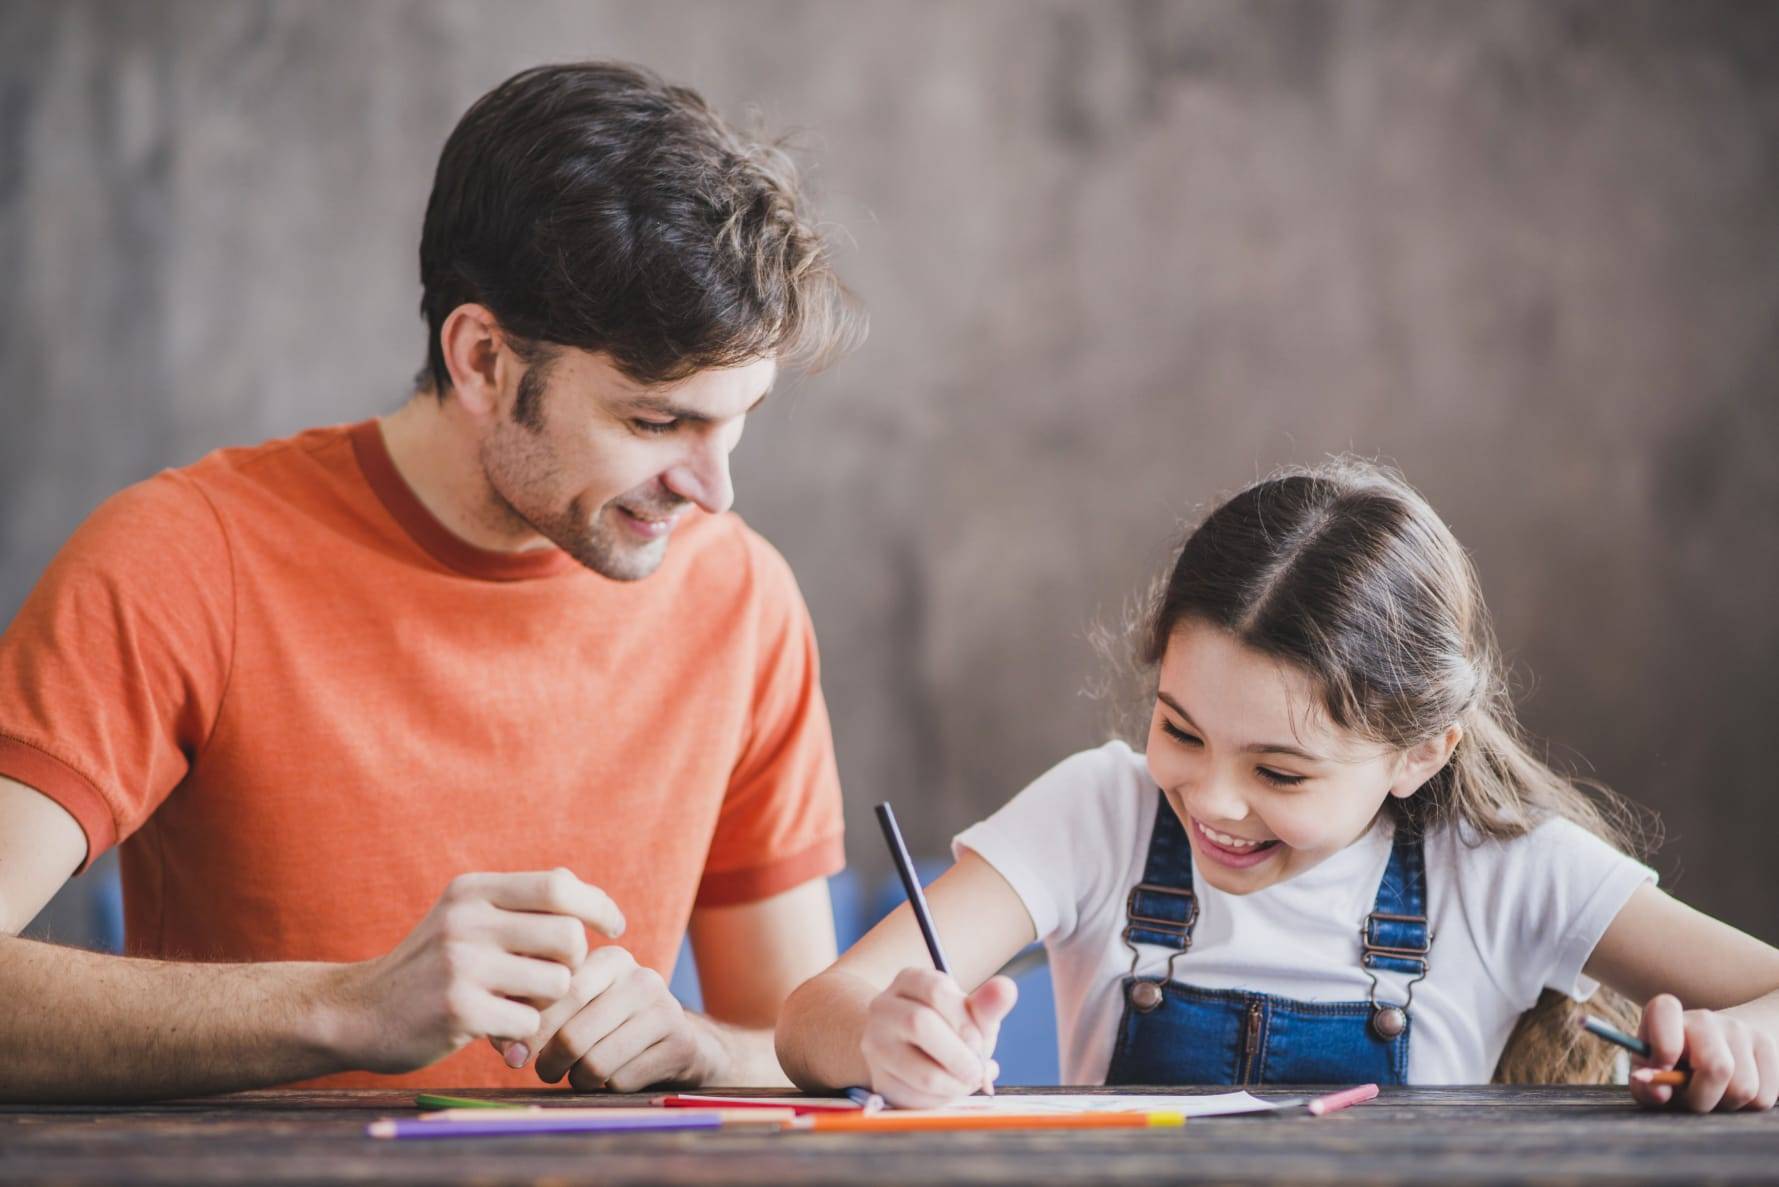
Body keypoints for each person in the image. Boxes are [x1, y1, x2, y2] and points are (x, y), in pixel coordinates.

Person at [0, 61, 864, 1101]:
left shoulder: (743, 598)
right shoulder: (186, 559)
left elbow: (793, 1044)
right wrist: (348, 1006)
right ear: (482, 358)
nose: (715, 492)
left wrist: (698, 1043)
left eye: (737, 421)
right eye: (654, 420)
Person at [776, 459, 1779, 1112]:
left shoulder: (1503, 868)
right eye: (1180, 729)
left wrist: (1740, 1039)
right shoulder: (1097, 812)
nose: (1211, 797)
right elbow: (811, 1012)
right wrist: (879, 1031)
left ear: (1420, 751)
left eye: (1281, 769)